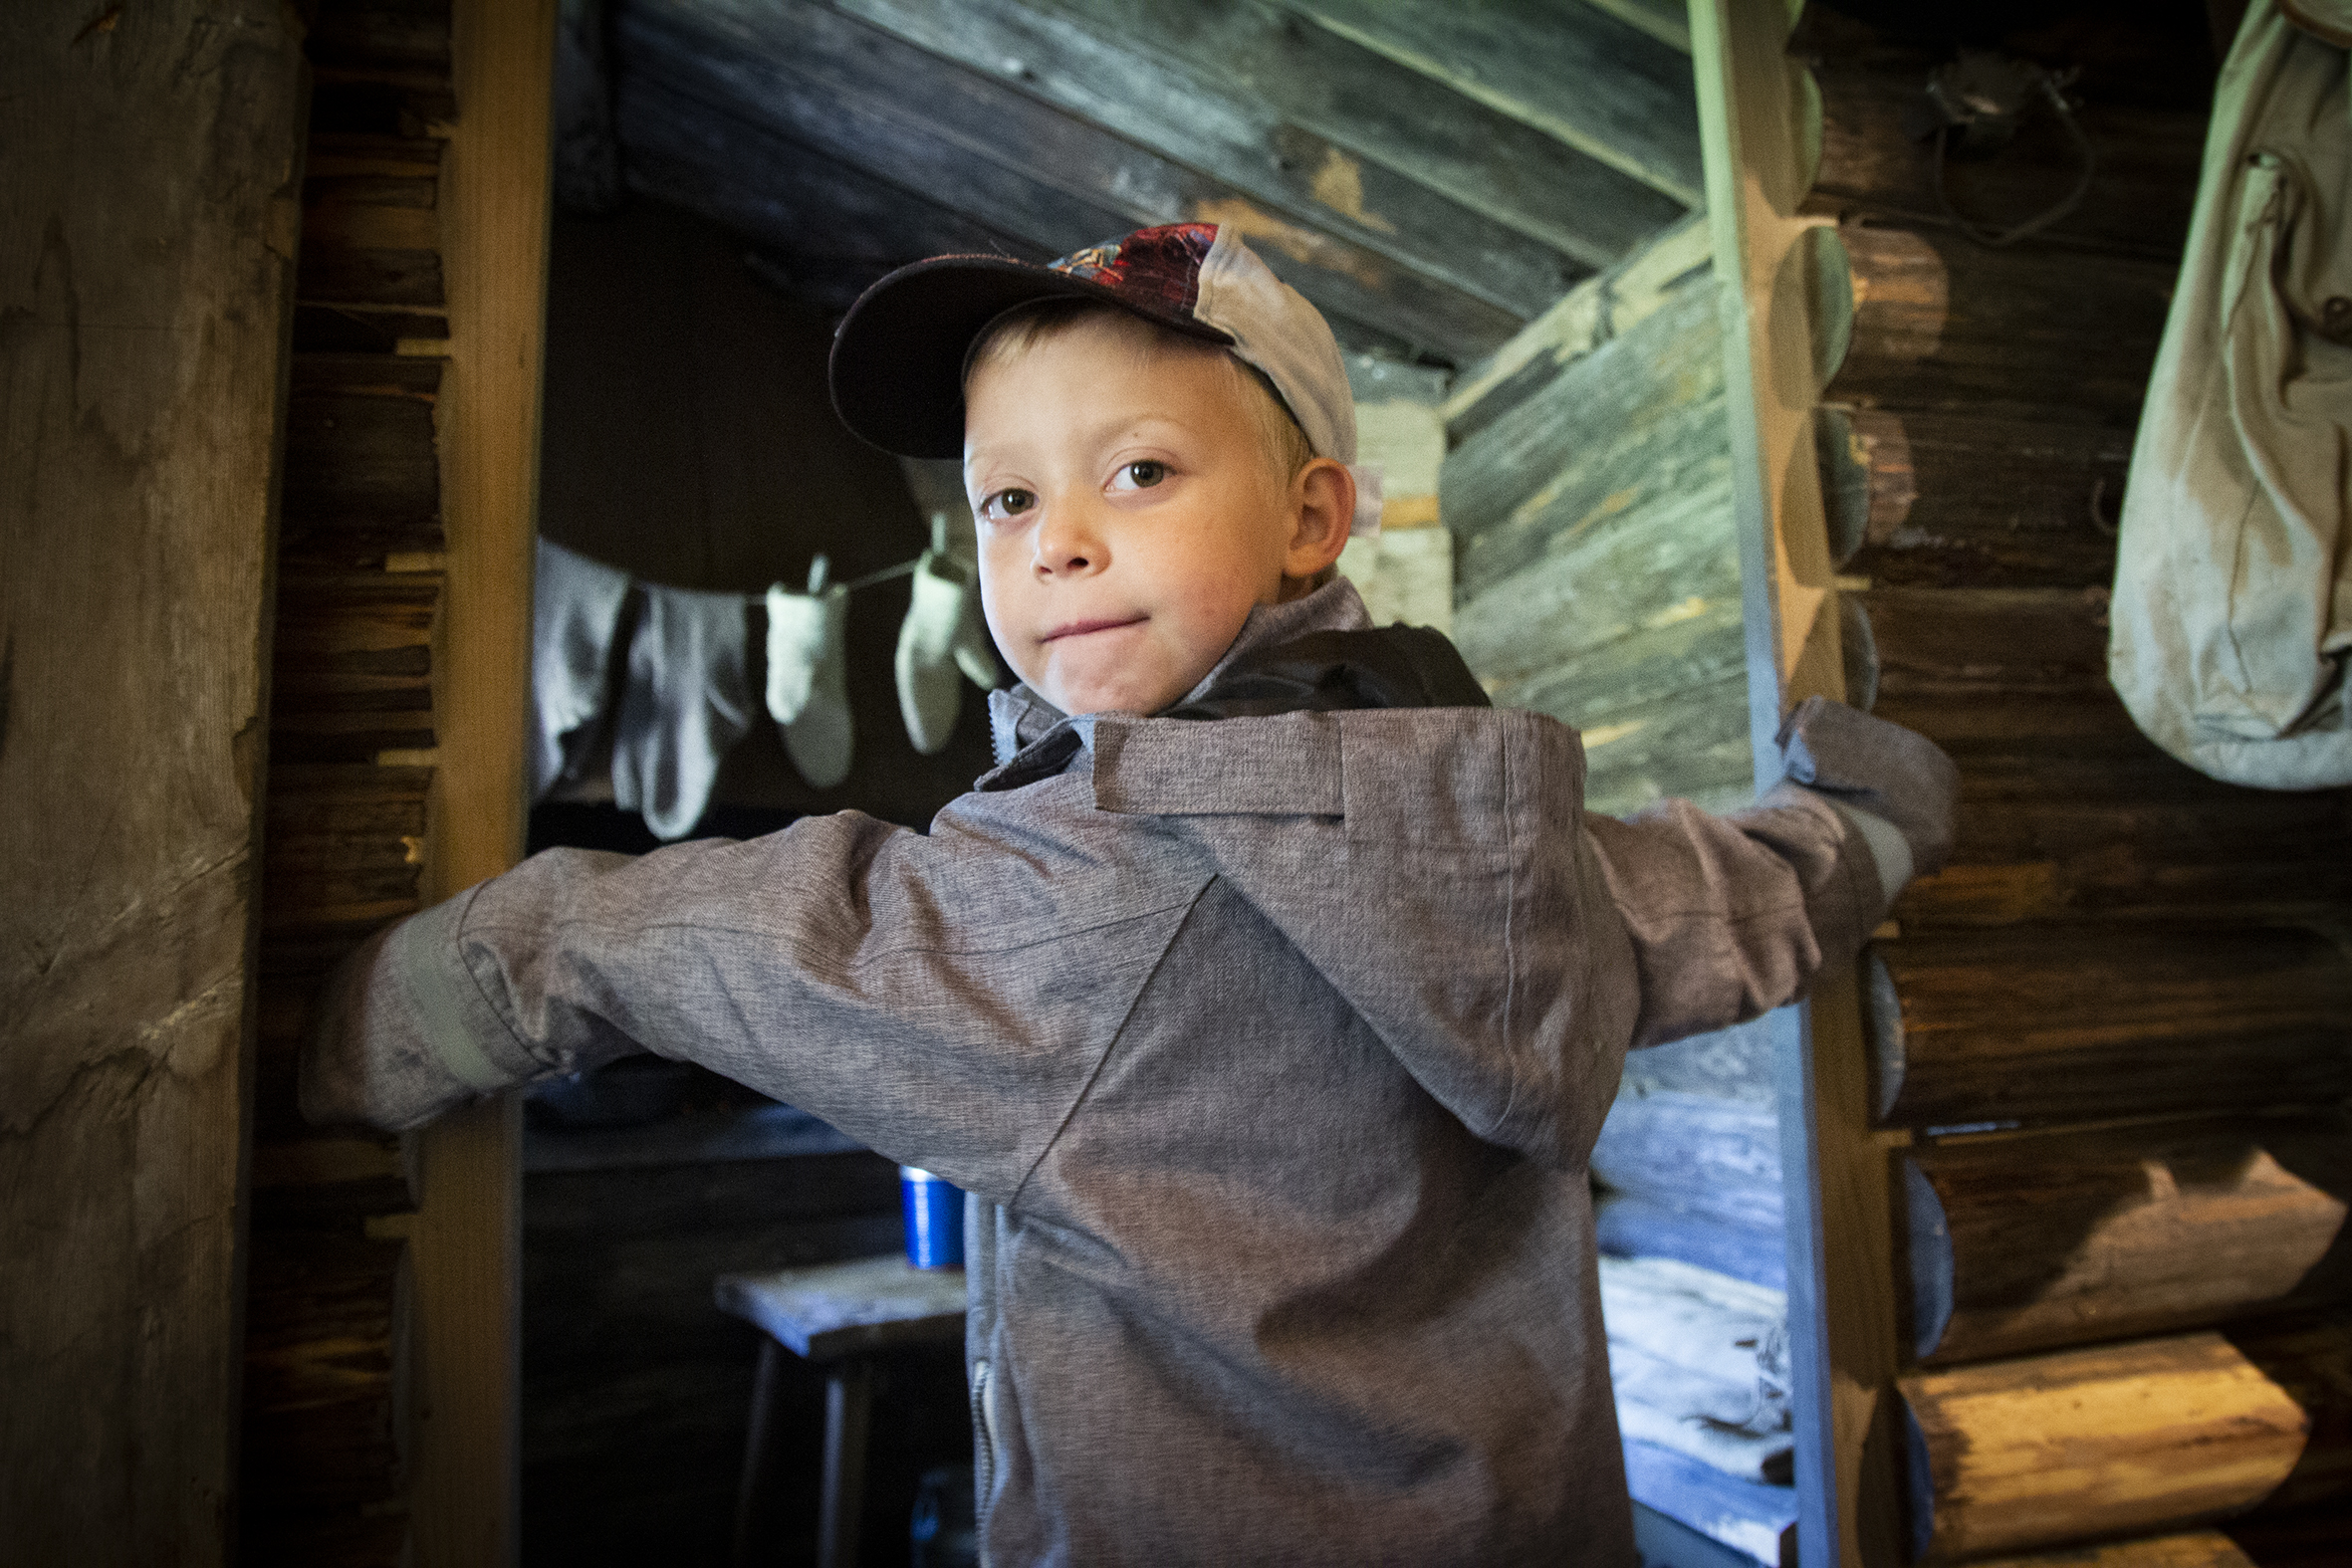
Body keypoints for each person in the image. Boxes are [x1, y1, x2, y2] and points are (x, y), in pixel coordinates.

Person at [304, 223, 1956, 1566]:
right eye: (1007, 497)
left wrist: (402, 999)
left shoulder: (1077, 899)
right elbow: (1725, 902)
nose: (1055, 544)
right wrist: (1864, 815)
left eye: (1139, 474)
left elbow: (707, 943)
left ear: (1311, 516)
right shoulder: (1496, 831)